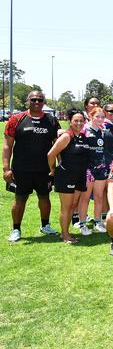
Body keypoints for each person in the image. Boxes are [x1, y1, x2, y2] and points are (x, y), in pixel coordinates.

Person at [3, 90, 61, 242]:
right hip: (21, 169)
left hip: (45, 169)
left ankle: (45, 225)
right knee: (20, 198)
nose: (37, 102)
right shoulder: (15, 119)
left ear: (44, 102)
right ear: (28, 101)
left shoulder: (52, 120)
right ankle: (16, 229)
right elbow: (7, 146)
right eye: (33, 99)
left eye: (40, 100)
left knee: (44, 197)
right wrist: (6, 168)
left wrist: (59, 166)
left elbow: (58, 145)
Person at [47, 109, 90, 244]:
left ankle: (66, 232)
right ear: (70, 121)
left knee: (73, 205)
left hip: (79, 175)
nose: (78, 123)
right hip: (66, 176)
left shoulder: (83, 136)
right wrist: (53, 170)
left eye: (81, 120)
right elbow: (50, 154)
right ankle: (65, 235)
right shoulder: (66, 136)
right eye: (75, 120)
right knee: (66, 207)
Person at [77, 107, 110, 235]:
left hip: (101, 168)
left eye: (102, 117)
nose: (100, 119)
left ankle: (97, 222)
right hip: (88, 169)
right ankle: (83, 224)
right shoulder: (84, 129)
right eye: (97, 116)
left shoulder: (103, 131)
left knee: (99, 197)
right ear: (91, 116)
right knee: (85, 197)